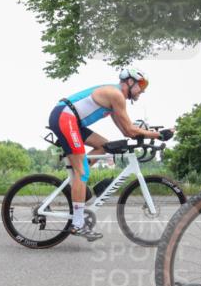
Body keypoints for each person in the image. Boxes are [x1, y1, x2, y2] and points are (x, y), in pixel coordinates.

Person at [48, 68, 172, 241]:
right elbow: (130, 129)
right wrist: (159, 135)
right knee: (82, 172)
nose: (142, 90)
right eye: (141, 85)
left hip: (71, 120)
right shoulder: (116, 95)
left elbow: (127, 132)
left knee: (103, 145)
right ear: (129, 82)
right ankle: (77, 224)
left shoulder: (115, 100)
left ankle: (76, 180)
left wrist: (150, 132)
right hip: (65, 117)